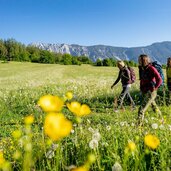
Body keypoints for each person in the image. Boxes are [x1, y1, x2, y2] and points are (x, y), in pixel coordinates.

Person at [138, 54, 162, 126]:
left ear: (145, 60)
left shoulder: (151, 68)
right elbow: (142, 79)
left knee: (141, 110)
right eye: (139, 60)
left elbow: (159, 79)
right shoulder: (141, 68)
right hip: (145, 91)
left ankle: (138, 126)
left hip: (151, 91)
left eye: (141, 60)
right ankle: (161, 119)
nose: (139, 61)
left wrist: (155, 88)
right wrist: (141, 88)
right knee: (154, 106)